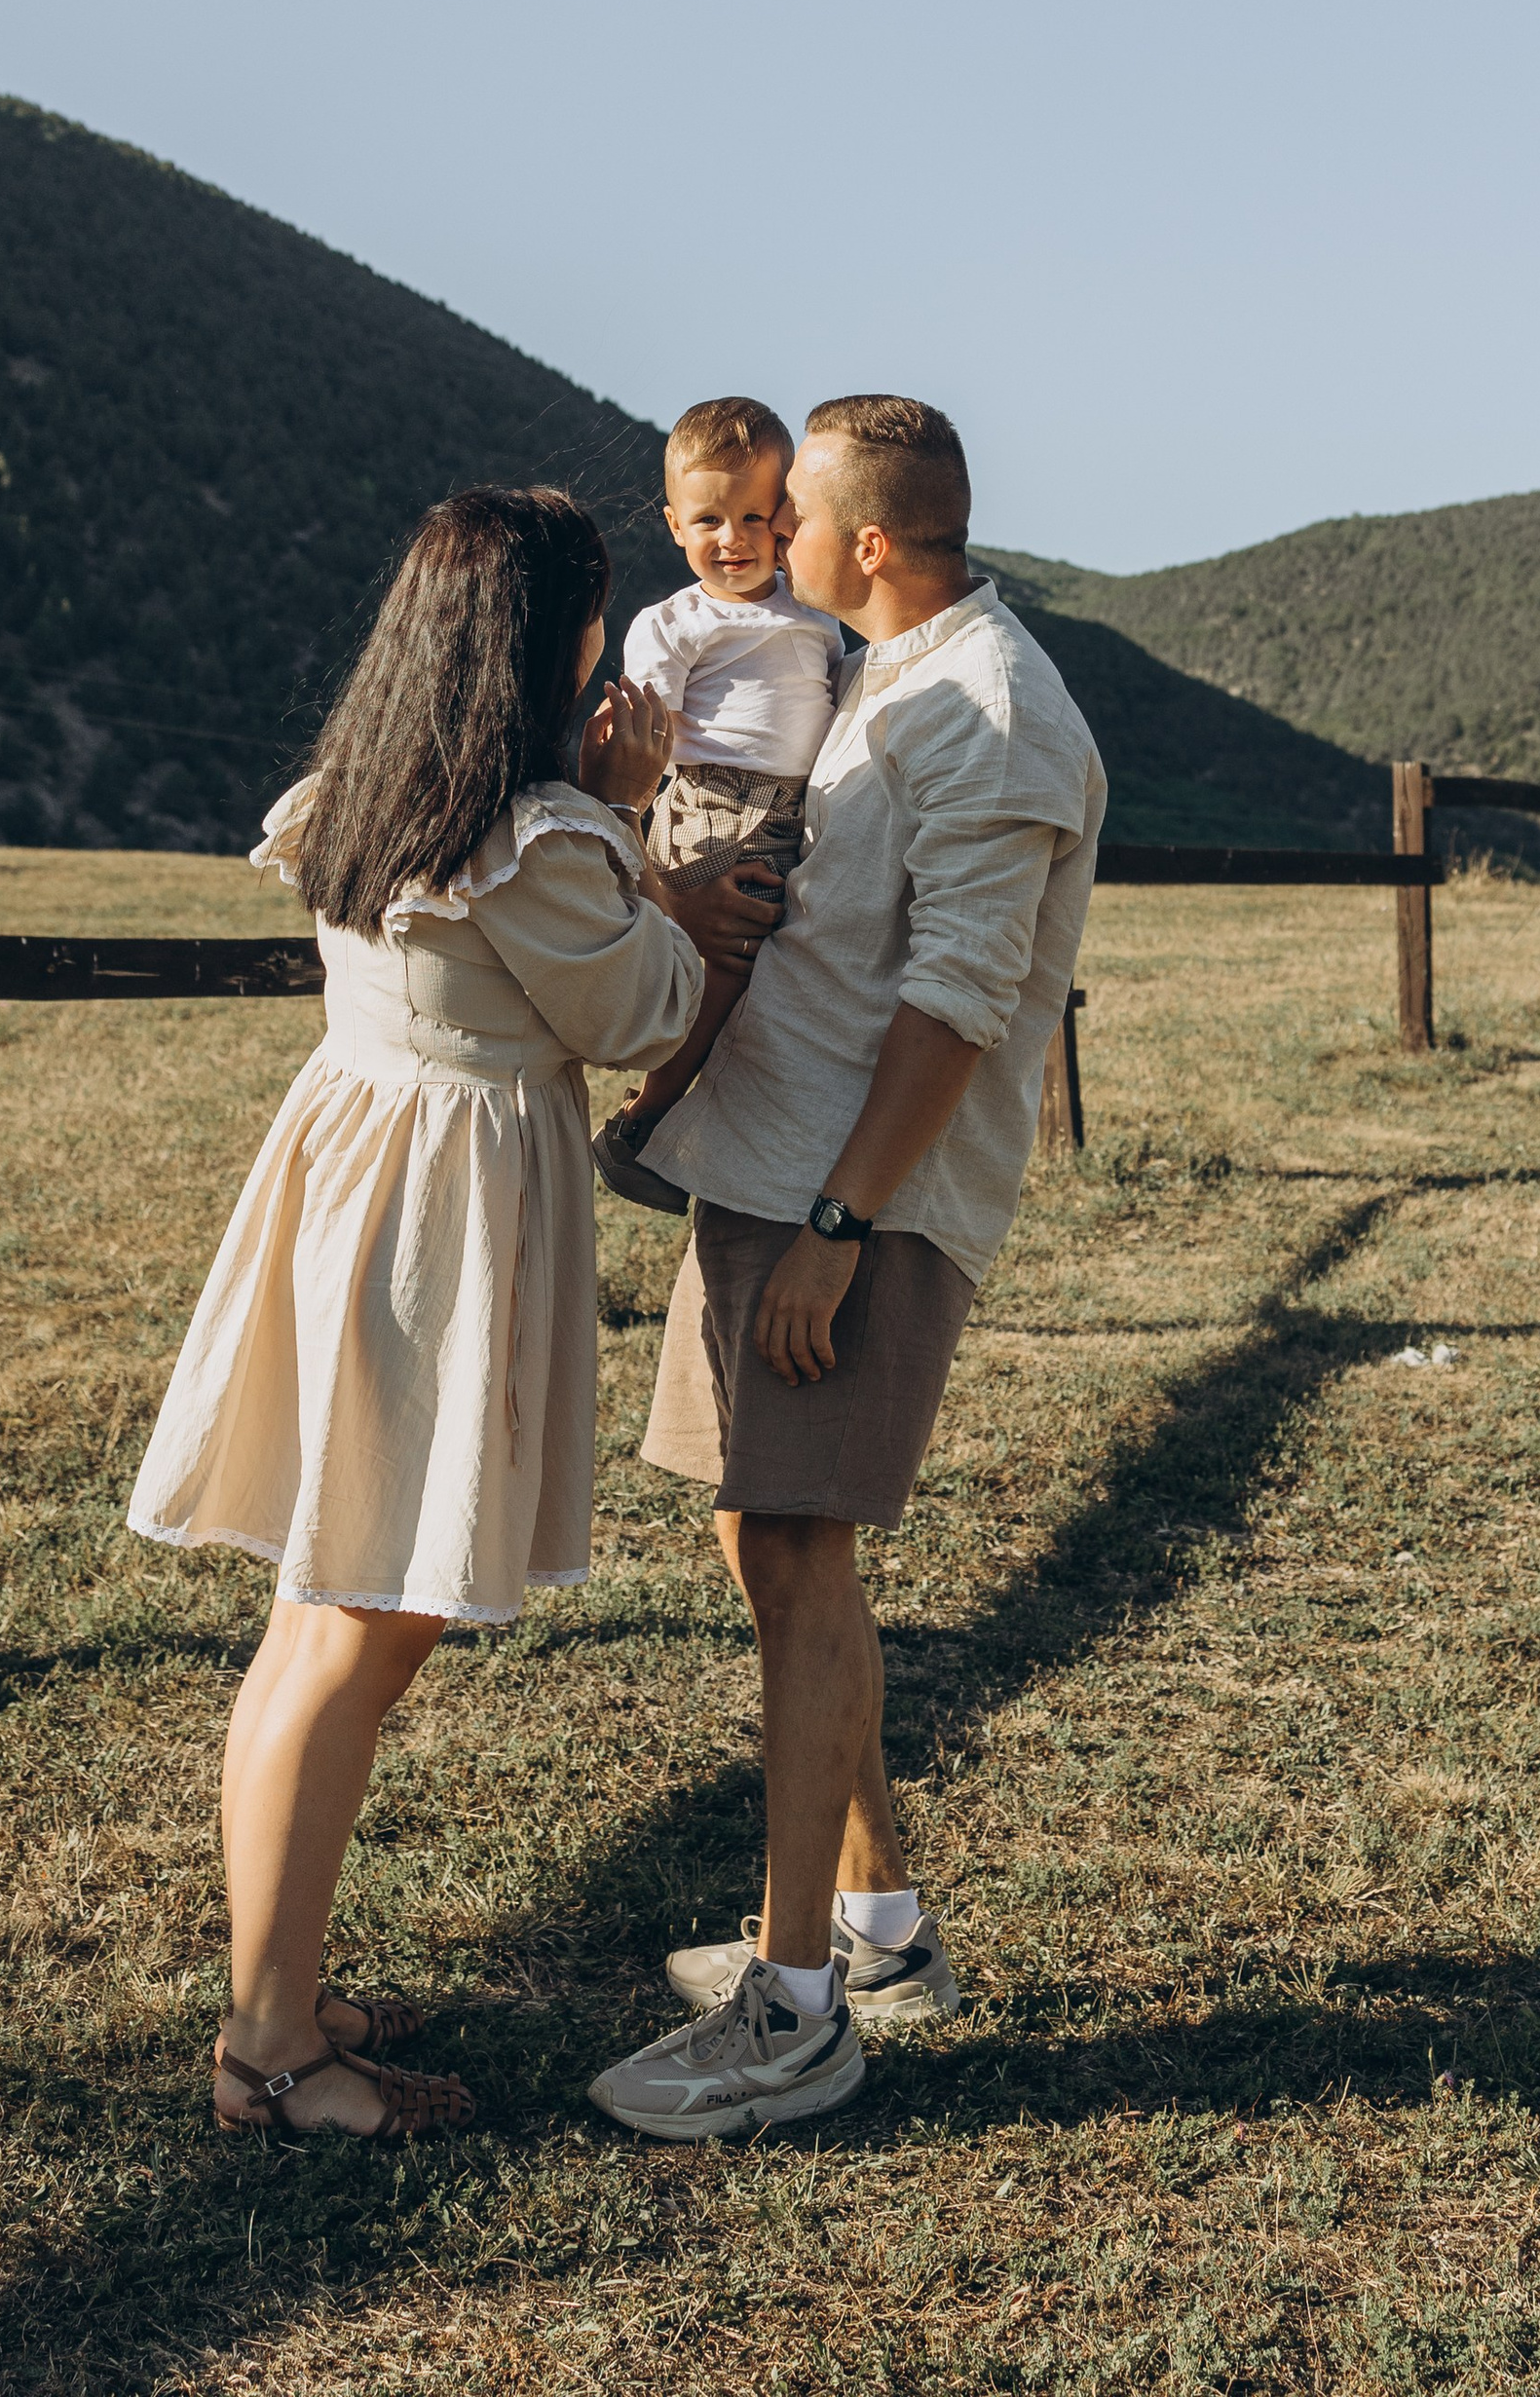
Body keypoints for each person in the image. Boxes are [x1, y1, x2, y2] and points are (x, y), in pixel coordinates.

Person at [127, 485, 769, 2143]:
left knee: (316, 1618)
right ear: (547, 643)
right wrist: (637, 828)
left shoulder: (358, 794)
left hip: (355, 1172)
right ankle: (274, 2055)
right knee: (359, 1625)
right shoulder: (543, 838)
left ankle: (277, 1986)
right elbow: (641, 1009)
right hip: (440, 1218)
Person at [585, 396, 1106, 2143]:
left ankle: (794, 2006)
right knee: (763, 1532)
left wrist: (839, 1230)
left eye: (787, 511)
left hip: (852, 1211)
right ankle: (878, 1926)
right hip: (771, 1170)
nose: (763, 533)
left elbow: (963, 998)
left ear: (865, 541)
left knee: (802, 1554)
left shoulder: (995, 710)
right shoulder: (883, 670)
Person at [600, 394, 844, 1153]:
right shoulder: (673, 625)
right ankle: (648, 1114)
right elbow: (646, 740)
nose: (732, 540)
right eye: (708, 521)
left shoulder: (815, 616)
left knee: (770, 977)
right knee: (725, 965)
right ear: (676, 526)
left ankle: (700, 1121)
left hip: (790, 811)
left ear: (786, 521)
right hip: (712, 801)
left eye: (753, 518)